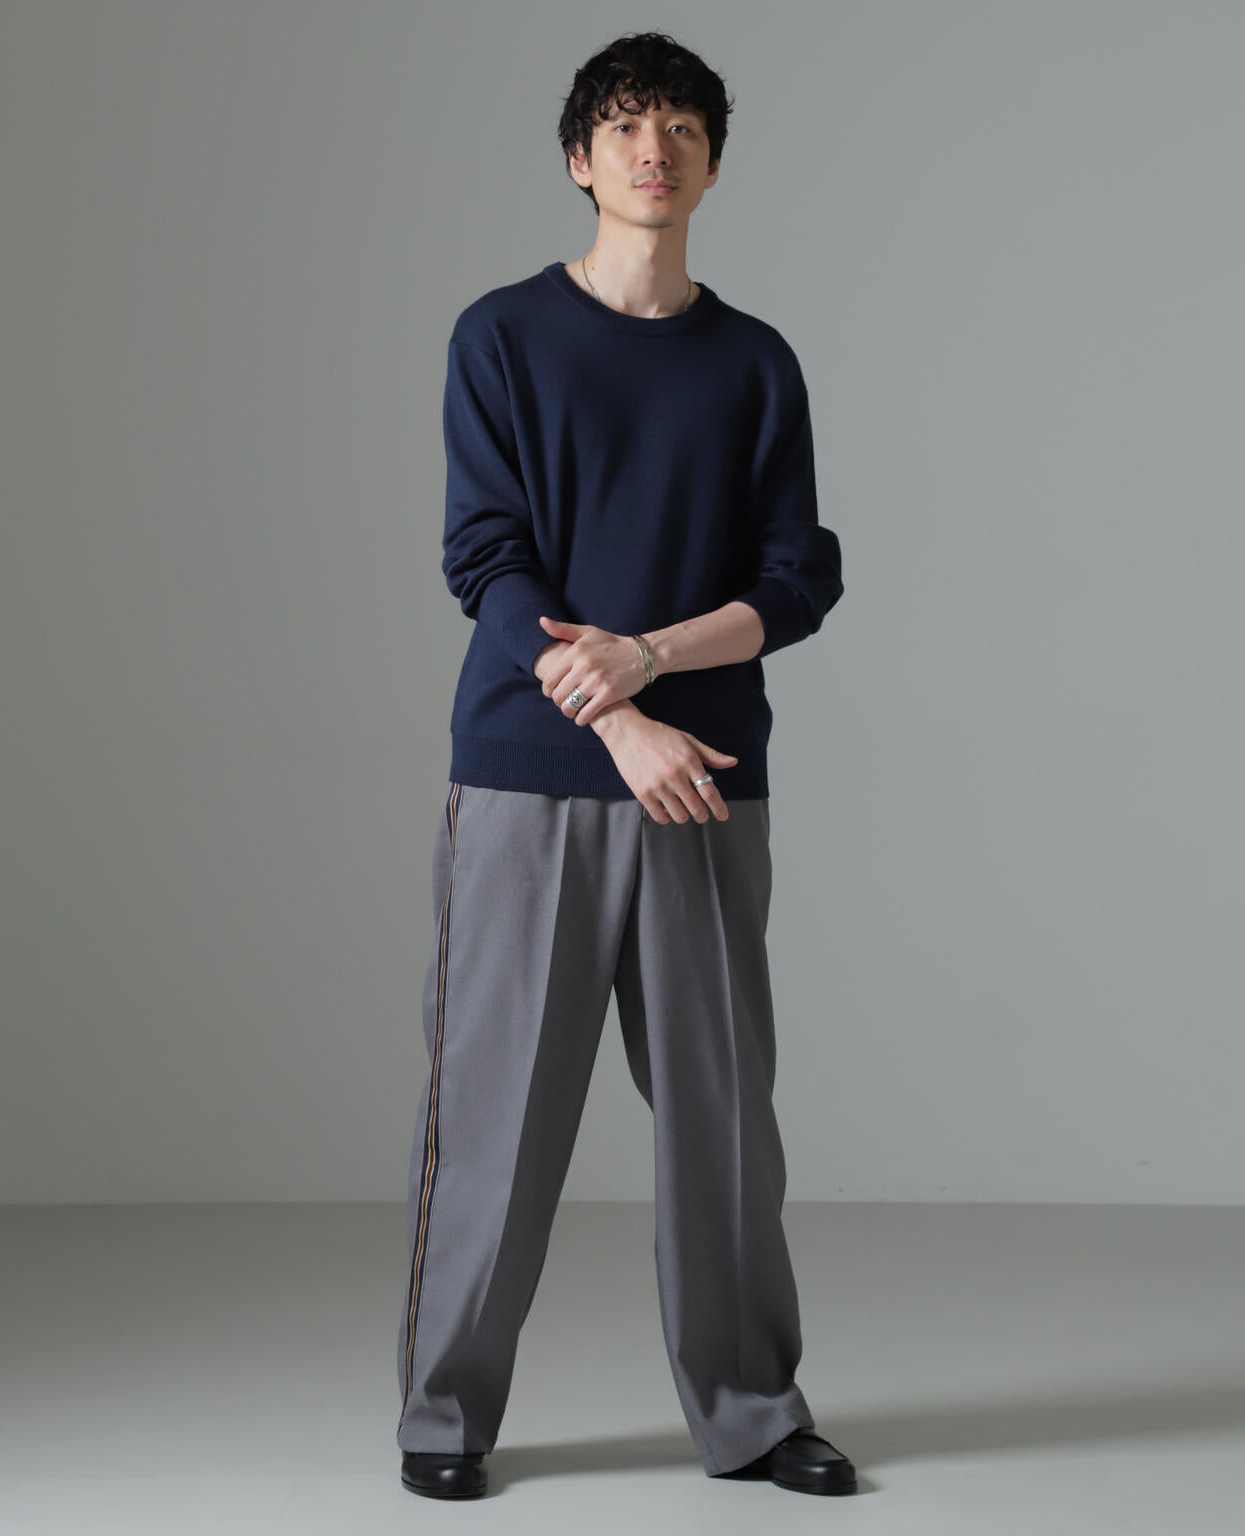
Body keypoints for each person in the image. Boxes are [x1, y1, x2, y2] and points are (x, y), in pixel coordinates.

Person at [397, 30, 854, 1500]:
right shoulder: (502, 338)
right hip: (532, 778)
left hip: (706, 774)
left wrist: (652, 662)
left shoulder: (755, 362)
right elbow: (487, 559)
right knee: (495, 1121)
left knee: (723, 1128)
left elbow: (799, 576)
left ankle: (754, 1411)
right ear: (579, 158)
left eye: (682, 129)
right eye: (624, 125)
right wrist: (614, 716)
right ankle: (444, 1420)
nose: (654, 149)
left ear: (712, 166)